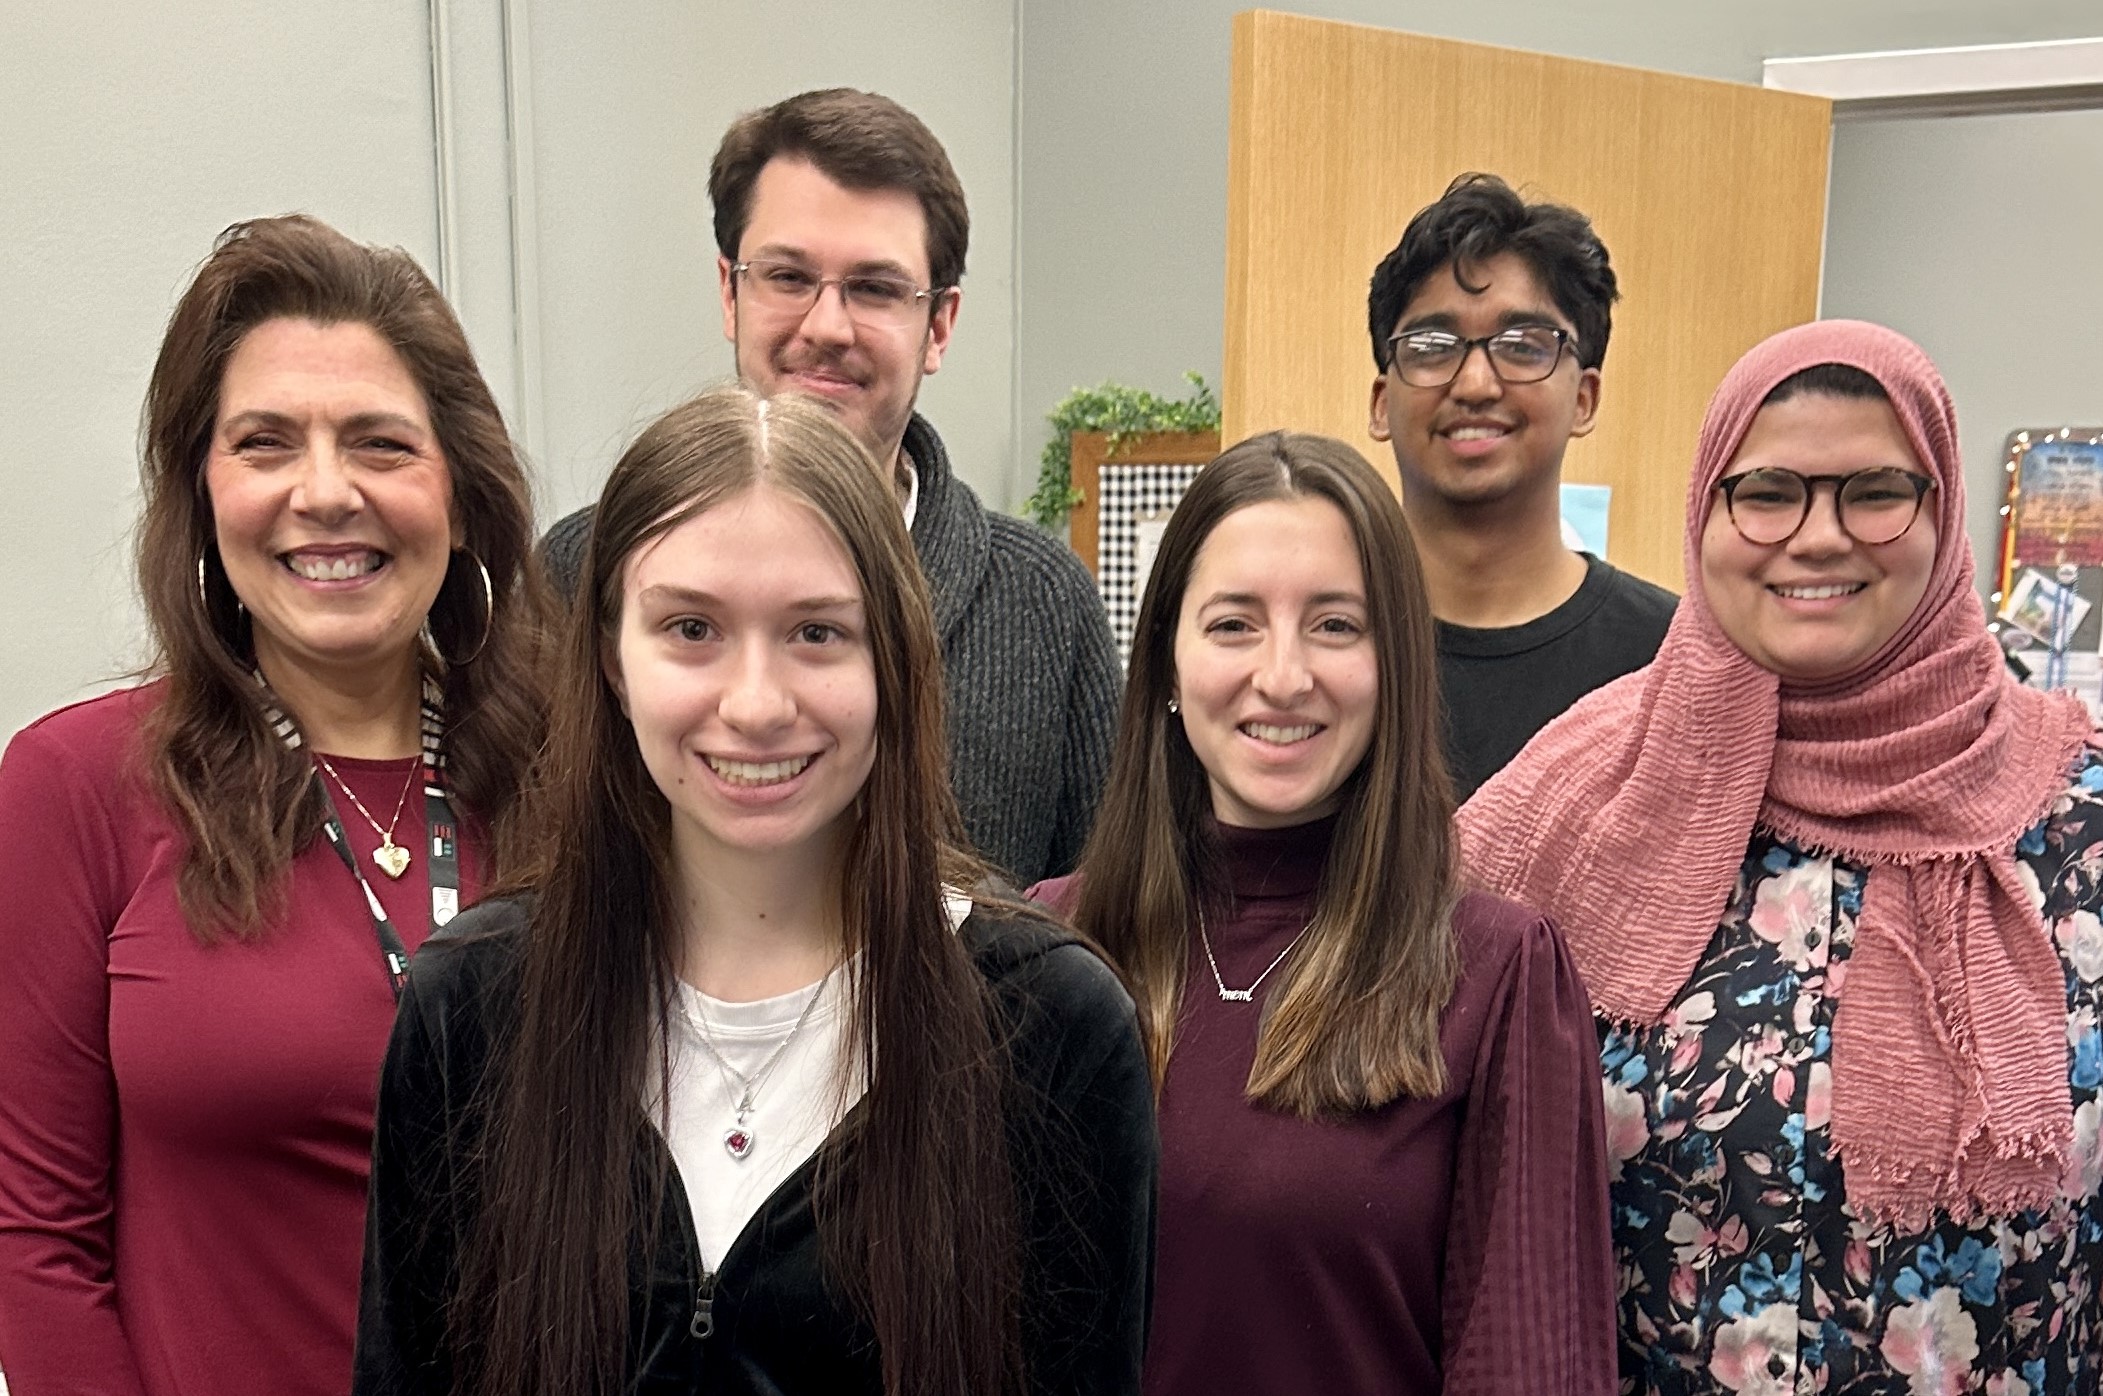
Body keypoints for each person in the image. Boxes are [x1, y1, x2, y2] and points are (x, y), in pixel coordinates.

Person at [354, 385, 1154, 1396]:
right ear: (611, 659)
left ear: (893, 660)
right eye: (691, 628)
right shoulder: (472, 1006)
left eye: (817, 632)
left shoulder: (1050, 1025)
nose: (756, 703)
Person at [1460, 320, 2103, 1393]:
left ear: (1943, 516)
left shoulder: (2075, 813)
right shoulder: (1579, 792)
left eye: (1875, 490)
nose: (1817, 536)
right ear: (1704, 513)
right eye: (1766, 492)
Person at [0, 215, 546, 1396]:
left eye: (381, 444)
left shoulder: (575, 778)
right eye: (265, 443)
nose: (326, 492)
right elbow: (37, 1239)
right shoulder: (76, 787)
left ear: (461, 491)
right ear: (203, 490)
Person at [1034, 431, 1614, 1395]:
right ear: (1167, 664)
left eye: (1335, 626)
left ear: (1395, 665)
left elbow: (1529, 1369)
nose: (1284, 675)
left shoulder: (1494, 975)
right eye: (1233, 625)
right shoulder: (1048, 955)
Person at [540, 88, 1118, 885]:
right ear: (728, 292)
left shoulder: (1043, 601)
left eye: (875, 289)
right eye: (787, 276)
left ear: (940, 325)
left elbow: (1106, 909)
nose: (825, 327)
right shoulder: (579, 569)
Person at [1367, 172, 1675, 799]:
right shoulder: (1313, 644)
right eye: (1432, 345)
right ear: (1381, 402)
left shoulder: (1670, 662)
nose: (1476, 384)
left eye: (1524, 346)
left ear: (1584, 398)